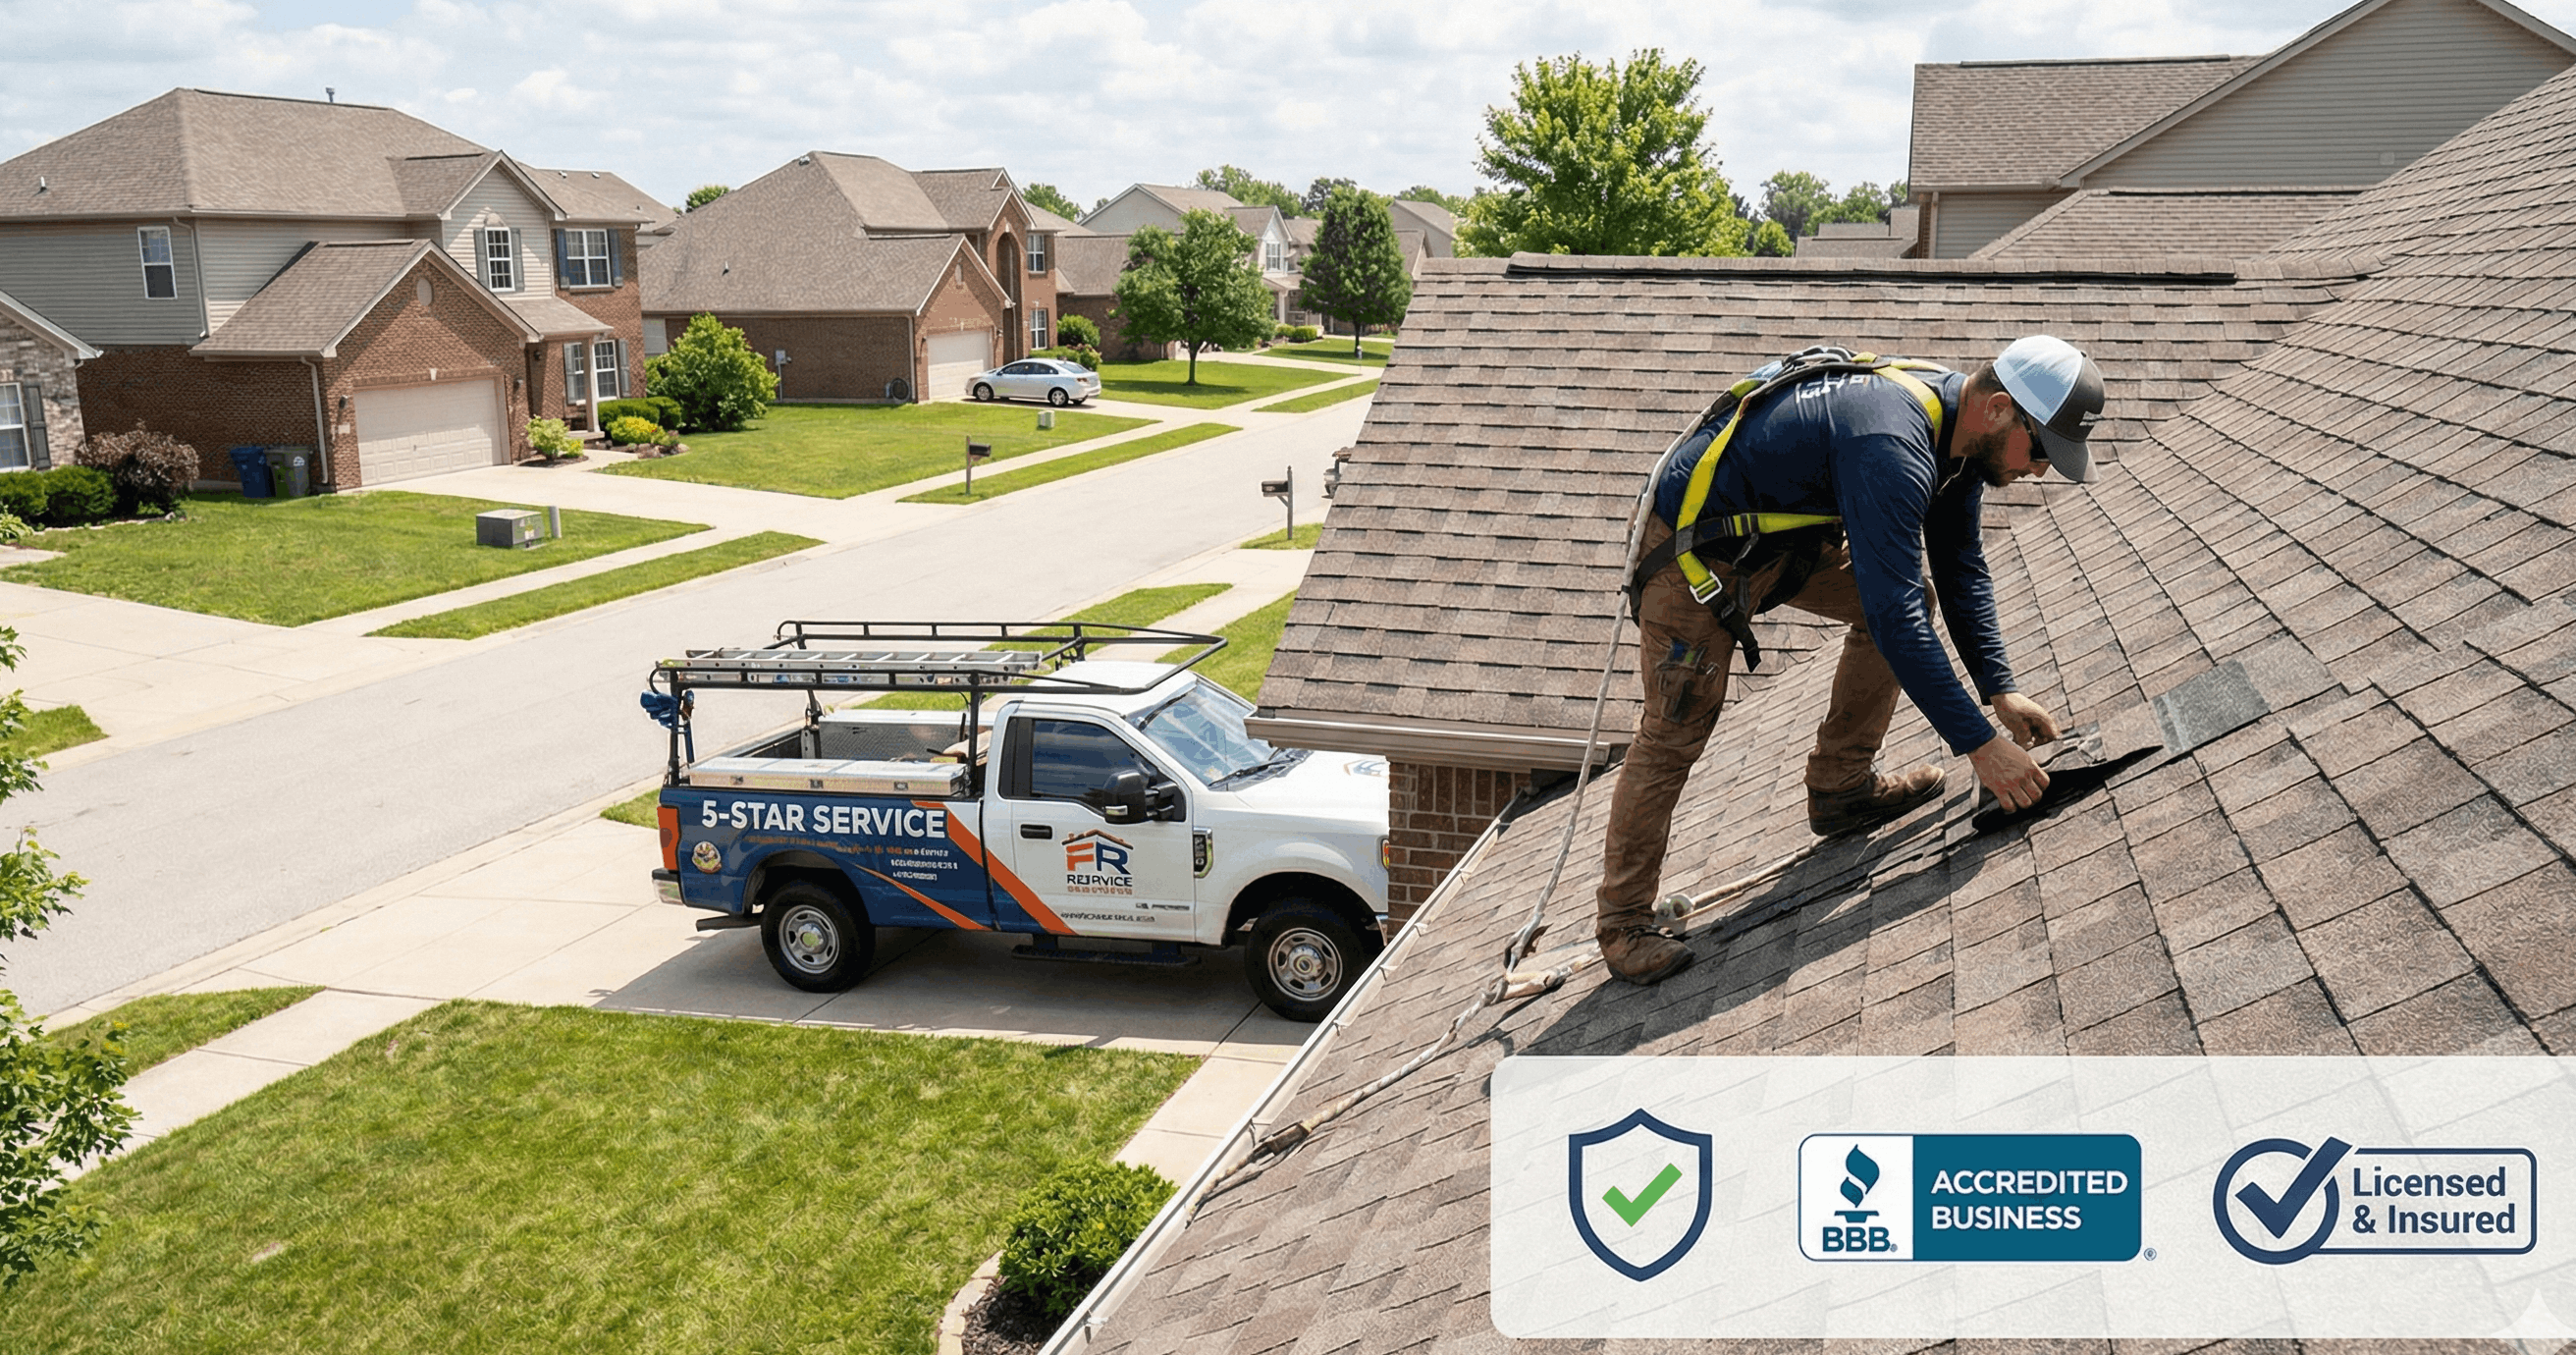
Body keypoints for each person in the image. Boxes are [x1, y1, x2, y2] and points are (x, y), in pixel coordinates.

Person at [1597, 336, 2106, 985]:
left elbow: (1959, 565)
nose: (2039, 471)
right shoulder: (1892, 443)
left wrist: (1998, 688)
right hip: (1695, 555)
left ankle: (1841, 789)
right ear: (2001, 409)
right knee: (1675, 731)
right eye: (2041, 452)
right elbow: (1892, 617)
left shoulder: (1958, 435)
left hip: (1778, 538)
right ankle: (1622, 924)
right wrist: (1980, 746)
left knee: (1911, 597)